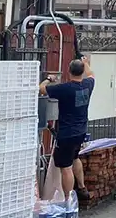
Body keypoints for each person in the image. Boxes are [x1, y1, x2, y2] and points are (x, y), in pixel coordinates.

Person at [39, 57, 95, 201]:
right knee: (75, 157)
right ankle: (82, 187)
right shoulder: (88, 85)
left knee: (66, 167)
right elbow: (91, 74)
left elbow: (41, 89)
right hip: (81, 131)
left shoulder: (64, 88)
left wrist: (49, 78)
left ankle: (67, 199)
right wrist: (86, 62)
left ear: (69, 71)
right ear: (81, 71)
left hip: (66, 134)